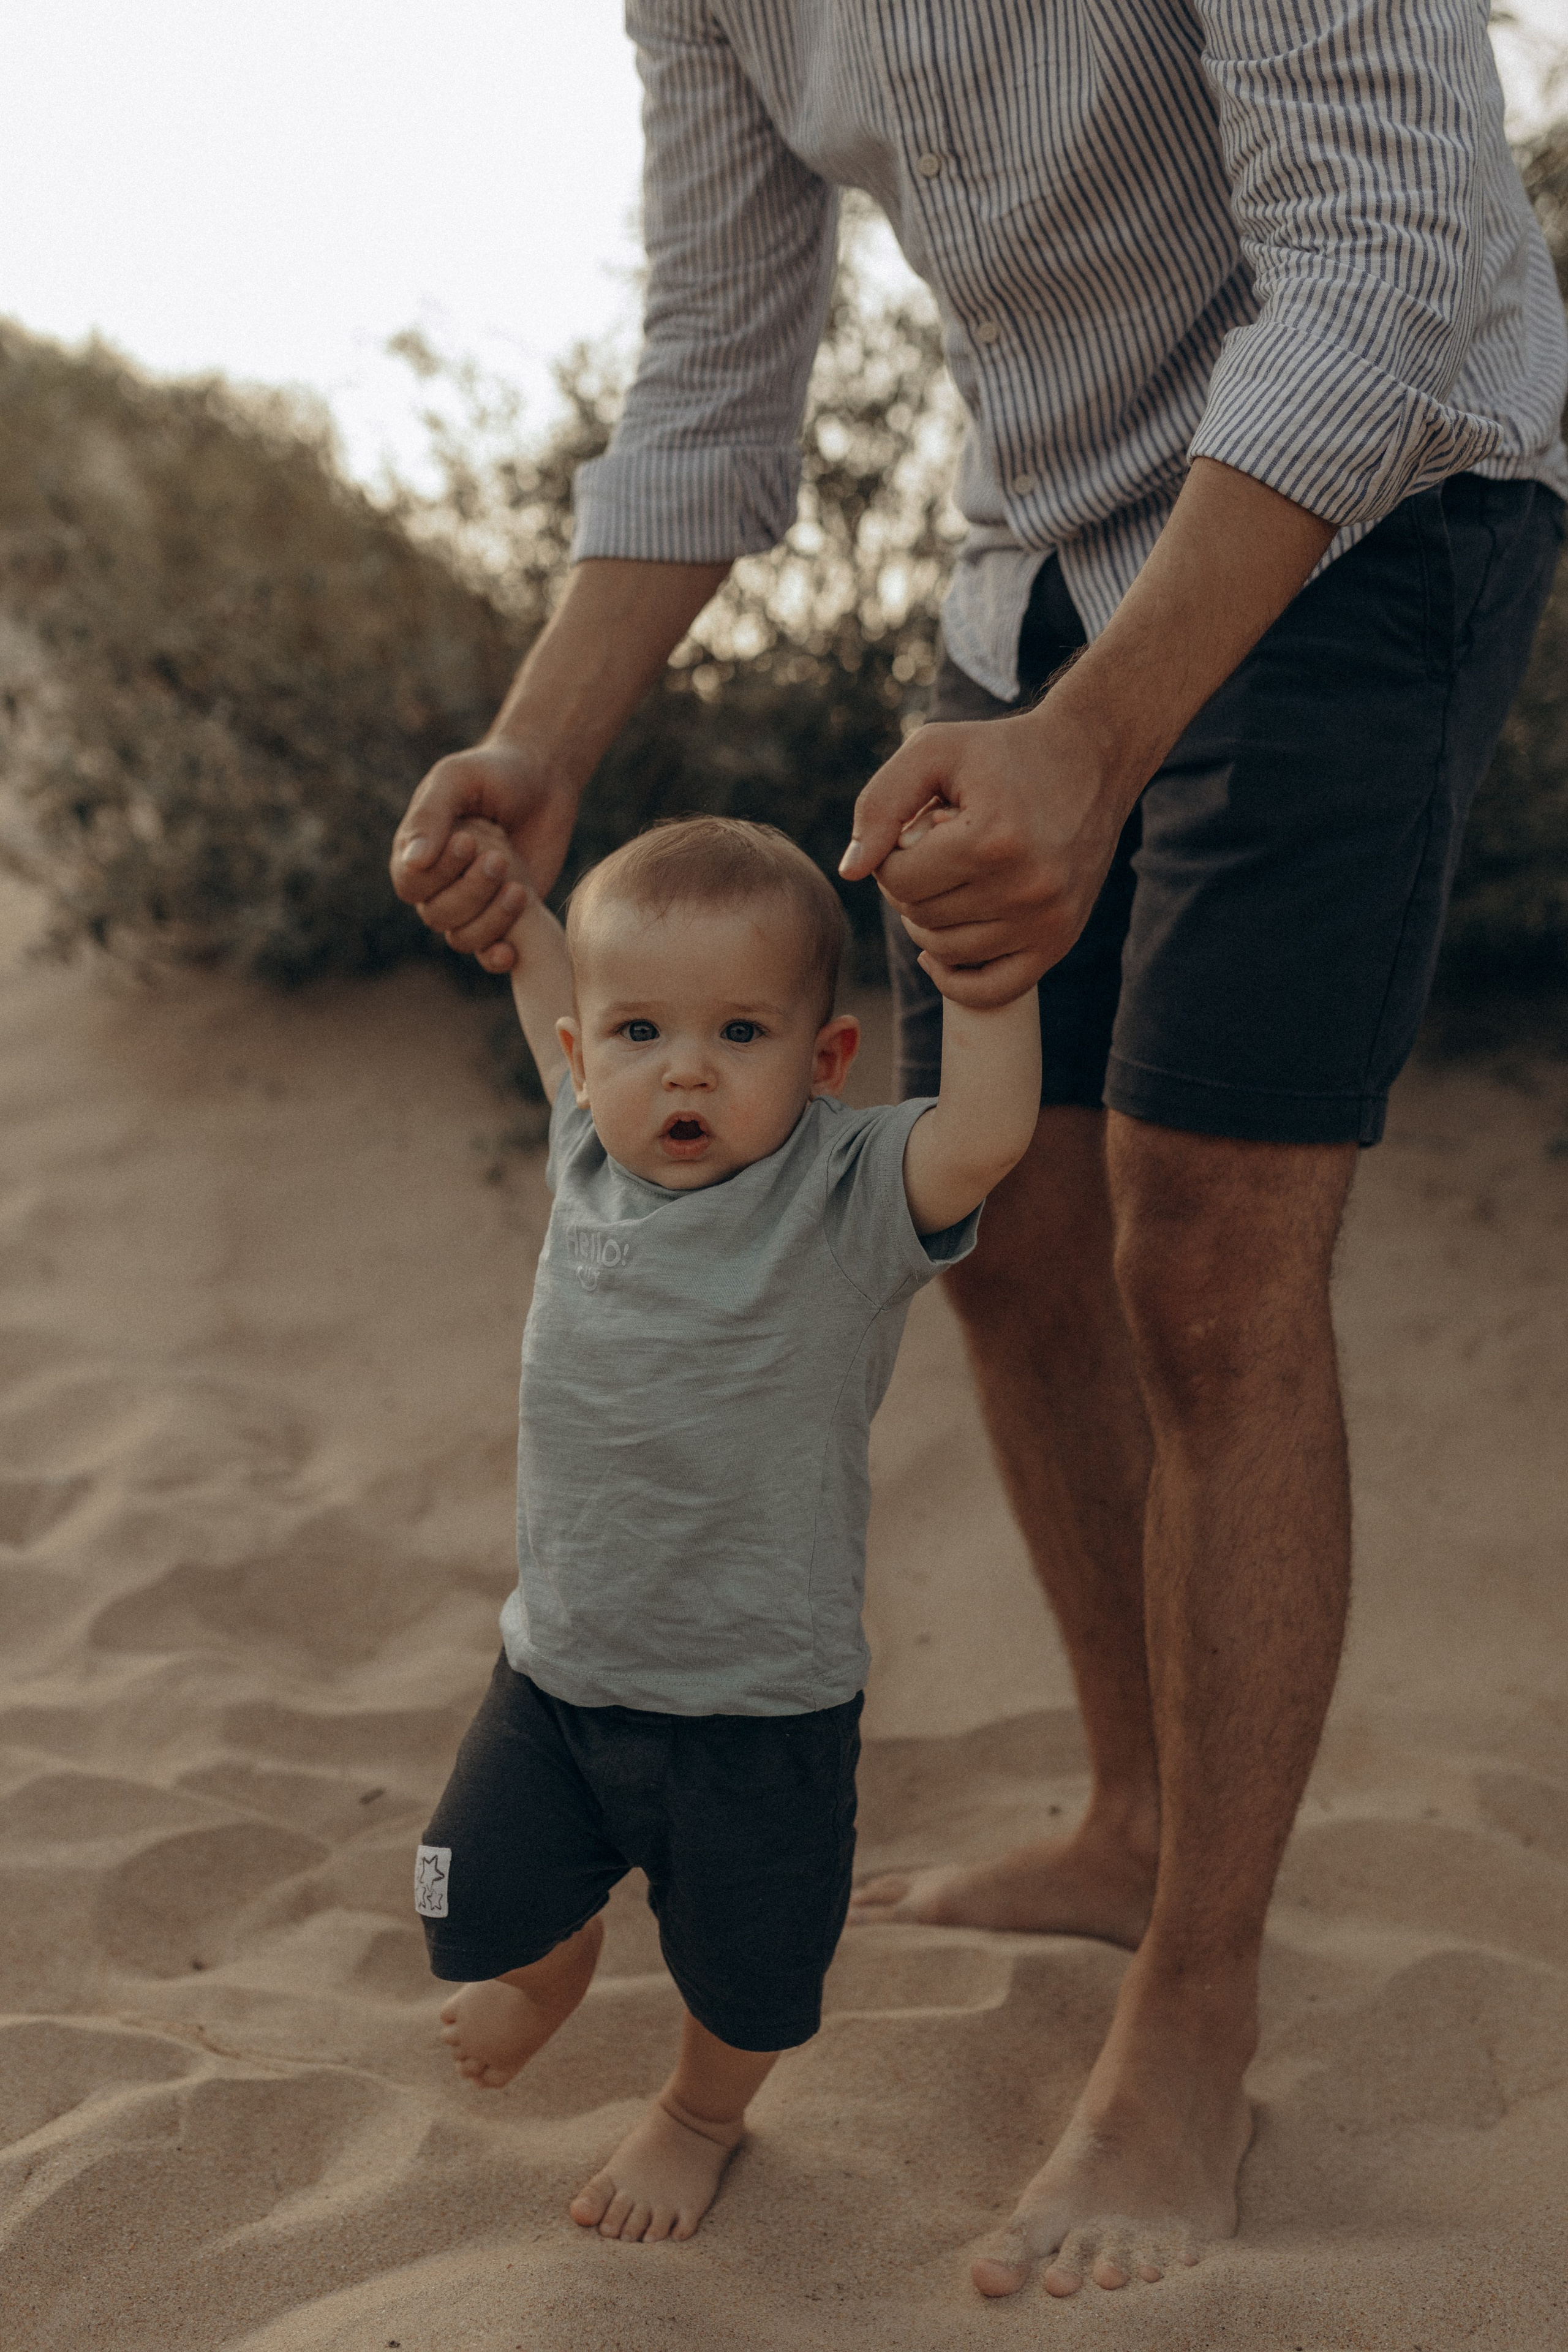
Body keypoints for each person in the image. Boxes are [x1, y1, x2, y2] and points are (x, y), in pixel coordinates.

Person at [390, 2, 1567, 2301]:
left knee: (1206, 1256)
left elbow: (1389, 250)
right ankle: (1136, 1820)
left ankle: (1198, 2002)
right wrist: (542, 745)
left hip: (1370, 515)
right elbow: (723, 359)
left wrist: (1102, 739)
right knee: (1007, 1234)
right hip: (1024, 558)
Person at [417, 814, 1039, 2244]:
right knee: (472, 1895)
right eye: (638, 1031)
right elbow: (546, 981)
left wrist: (985, 983)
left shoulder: (841, 1195)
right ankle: (557, 1961)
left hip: (757, 1704)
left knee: (751, 1976)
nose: (682, 1066)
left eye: (740, 1032)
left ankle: (698, 2114)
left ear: (823, 1064)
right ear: (582, 1061)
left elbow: (987, 1135)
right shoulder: (586, 1147)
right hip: (558, 1676)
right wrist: (513, 905)